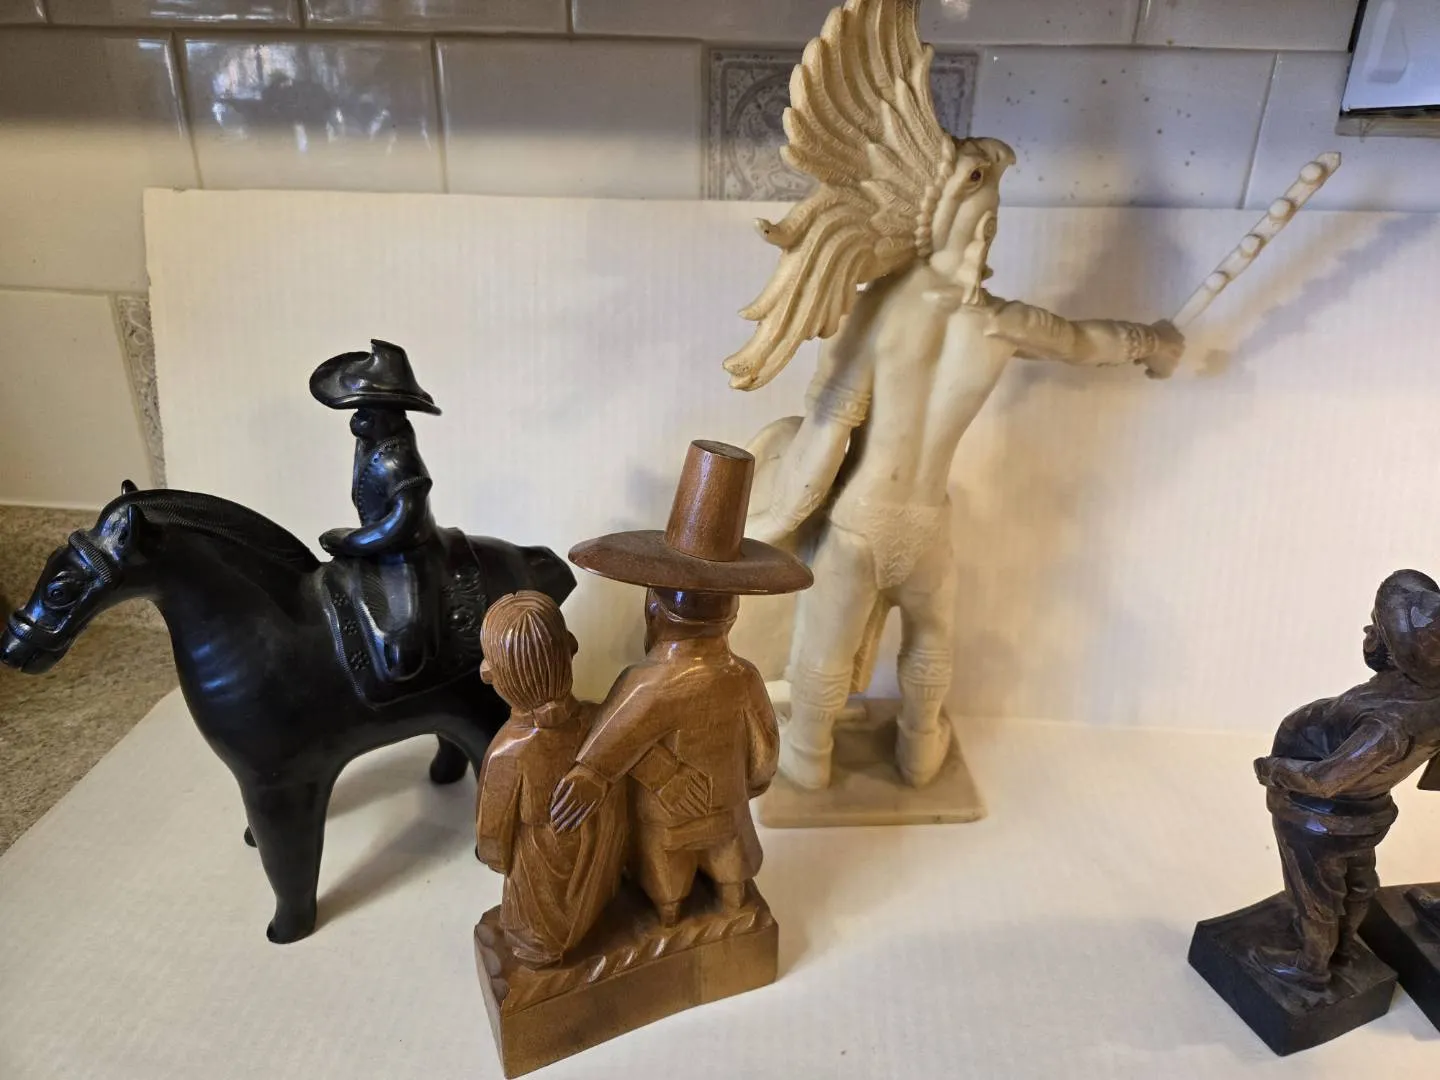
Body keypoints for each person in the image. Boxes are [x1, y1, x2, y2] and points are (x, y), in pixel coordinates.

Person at [551, 441, 811, 926]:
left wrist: (589, 776)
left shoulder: (647, 683)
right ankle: (732, 905)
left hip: (666, 816)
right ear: (731, 616)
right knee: (730, 867)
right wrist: (750, 782)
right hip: (726, 806)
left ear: (654, 611)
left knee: (665, 873)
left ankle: (668, 919)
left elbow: (609, 746)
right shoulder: (743, 677)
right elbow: (764, 749)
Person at [1252, 569, 1440, 988]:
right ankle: (1343, 948)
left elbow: (1325, 780)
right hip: (1365, 814)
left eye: (1375, 628)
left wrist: (1274, 770)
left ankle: (1311, 967)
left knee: (1316, 894)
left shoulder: (1387, 724)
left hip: (1318, 819)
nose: (1367, 632)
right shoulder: (1427, 702)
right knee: (1357, 883)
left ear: (1395, 654)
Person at [473, 591, 627, 967]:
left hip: (540, 894)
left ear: (490, 674)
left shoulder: (507, 753)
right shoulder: (600, 721)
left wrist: (500, 862)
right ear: (571, 648)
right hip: (599, 868)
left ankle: (541, 951)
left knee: (536, 936)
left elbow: (492, 839)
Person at [310, 339, 440, 682]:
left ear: (391, 414)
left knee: (402, 645)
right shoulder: (372, 444)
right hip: (380, 544)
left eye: (366, 412)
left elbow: (404, 521)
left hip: (405, 553)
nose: (358, 419)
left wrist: (352, 541)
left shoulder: (400, 461)